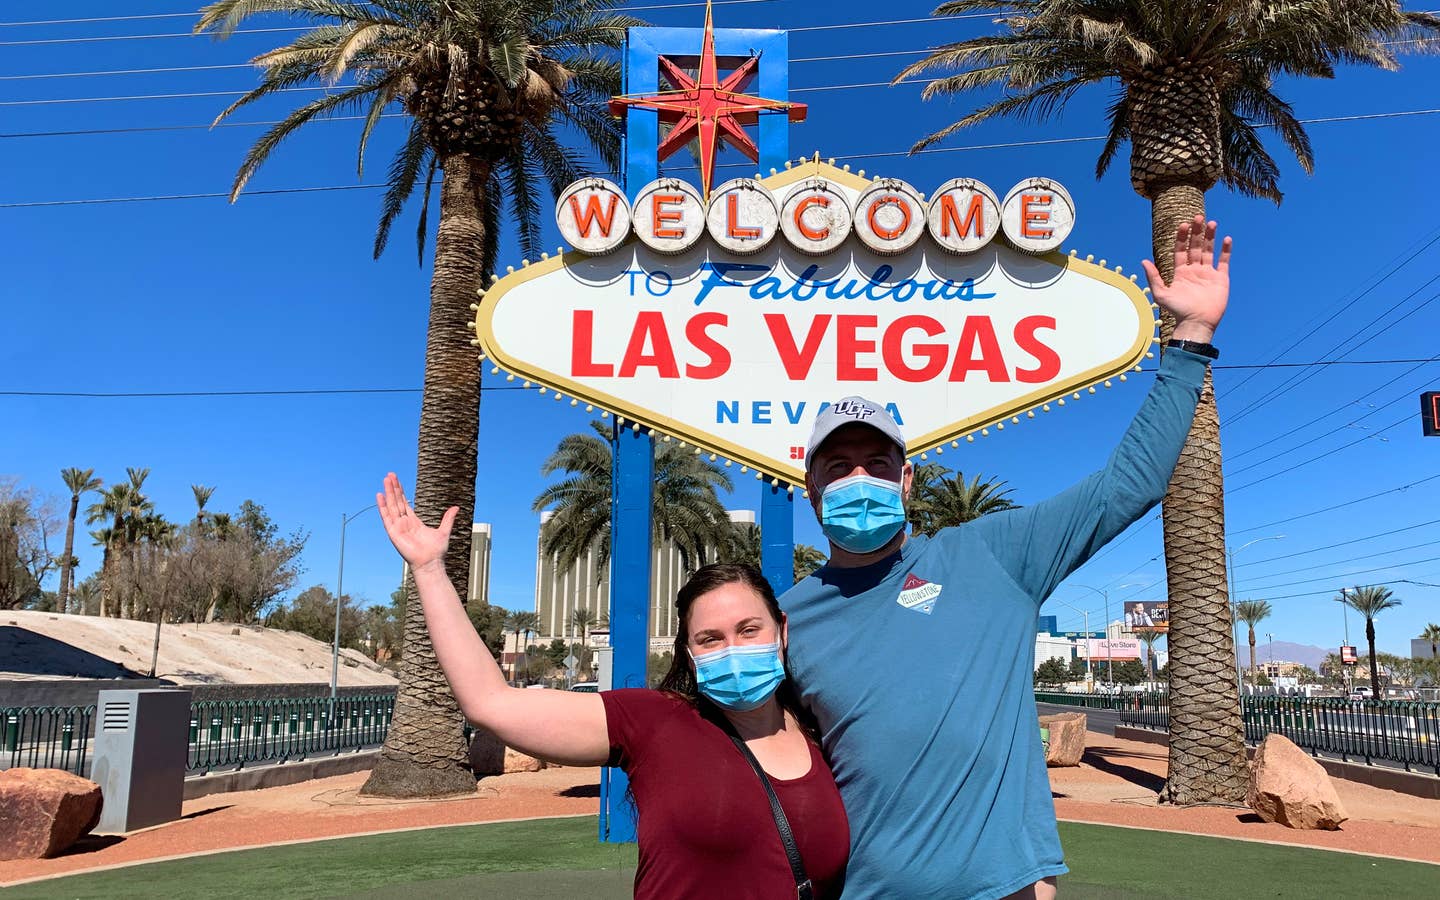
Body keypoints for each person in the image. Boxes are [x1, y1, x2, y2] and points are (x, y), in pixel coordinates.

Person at [781, 216, 1232, 899]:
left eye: (878, 464)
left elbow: (1126, 488)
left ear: (908, 482)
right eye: (838, 468)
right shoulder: (786, 618)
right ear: (811, 489)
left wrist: (1191, 339)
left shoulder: (991, 555)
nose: (859, 482)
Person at [376, 474, 848, 899]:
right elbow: (489, 702)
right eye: (710, 638)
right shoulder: (655, 722)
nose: (733, 650)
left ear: (782, 632)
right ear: (688, 653)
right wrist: (430, 570)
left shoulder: (824, 730)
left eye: (749, 631)